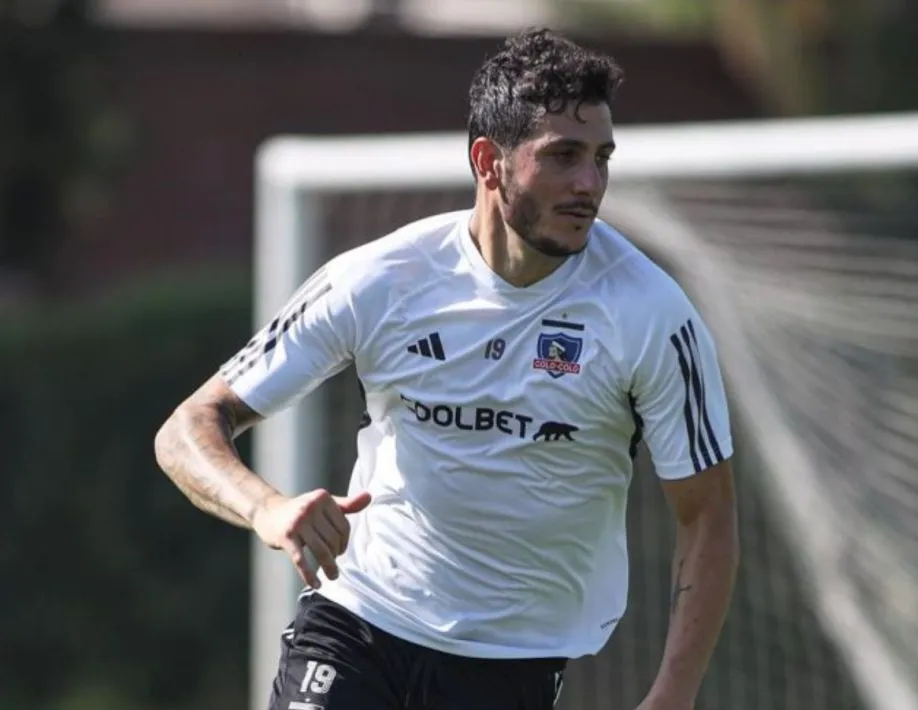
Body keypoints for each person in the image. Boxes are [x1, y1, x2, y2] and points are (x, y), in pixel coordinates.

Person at [155, 27, 739, 710]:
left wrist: (675, 693)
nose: (590, 183)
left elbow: (709, 516)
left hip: (508, 664)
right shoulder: (381, 281)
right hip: (358, 623)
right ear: (489, 161)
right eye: (563, 156)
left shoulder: (651, 314)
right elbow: (190, 425)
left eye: (602, 158)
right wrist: (269, 508)